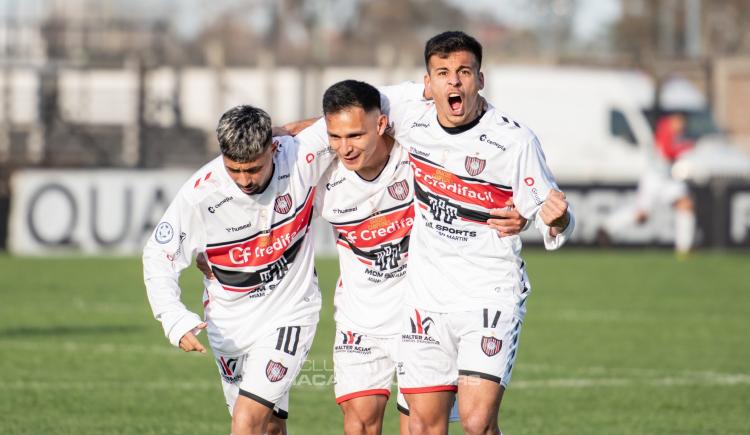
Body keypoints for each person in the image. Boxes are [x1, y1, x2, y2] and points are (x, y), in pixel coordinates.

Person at [197, 81, 528, 434]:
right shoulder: (323, 175)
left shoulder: (414, 154)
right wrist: (217, 248)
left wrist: (522, 212)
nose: (345, 147)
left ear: (381, 125)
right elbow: (268, 209)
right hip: (359, 321)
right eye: (335, 137)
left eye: (355, 135)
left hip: (419, 312)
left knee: (422, 426)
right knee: (359, 426)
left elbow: (469, 171)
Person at [377, 31, 575, 435]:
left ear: (480, 80)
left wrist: (557, 218)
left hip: (489, 292)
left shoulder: (514, 141)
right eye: (443, 73)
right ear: (427, 84)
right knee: (422, 426)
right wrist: (286, 135)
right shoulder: (408, 114)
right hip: (425, 298)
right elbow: (348, 114)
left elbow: (553, 217)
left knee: (477, 421)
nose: (454, 81)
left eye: (464, 72)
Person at [143, 105, 333, 435]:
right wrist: (173, 318)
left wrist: (291, 127)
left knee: (246, 423)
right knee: (269, 427)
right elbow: (159, 255)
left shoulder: (301, 153)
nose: (244, 180)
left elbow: (353, 117)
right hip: (228, 326)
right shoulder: (201, 192)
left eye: (254, 169)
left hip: (290, 314)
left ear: (273, 148)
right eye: (235, 170)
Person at [600, 112, 696, 255]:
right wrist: (689, 147)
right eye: (680, 123)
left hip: (667, 179)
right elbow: (669, 151)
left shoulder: (674, 133)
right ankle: (608, 227)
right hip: (653, 180)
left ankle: (684, 250)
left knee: (686, 205)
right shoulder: (664, 129)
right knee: (642, 214)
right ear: (674, 120)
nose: (682, 128)